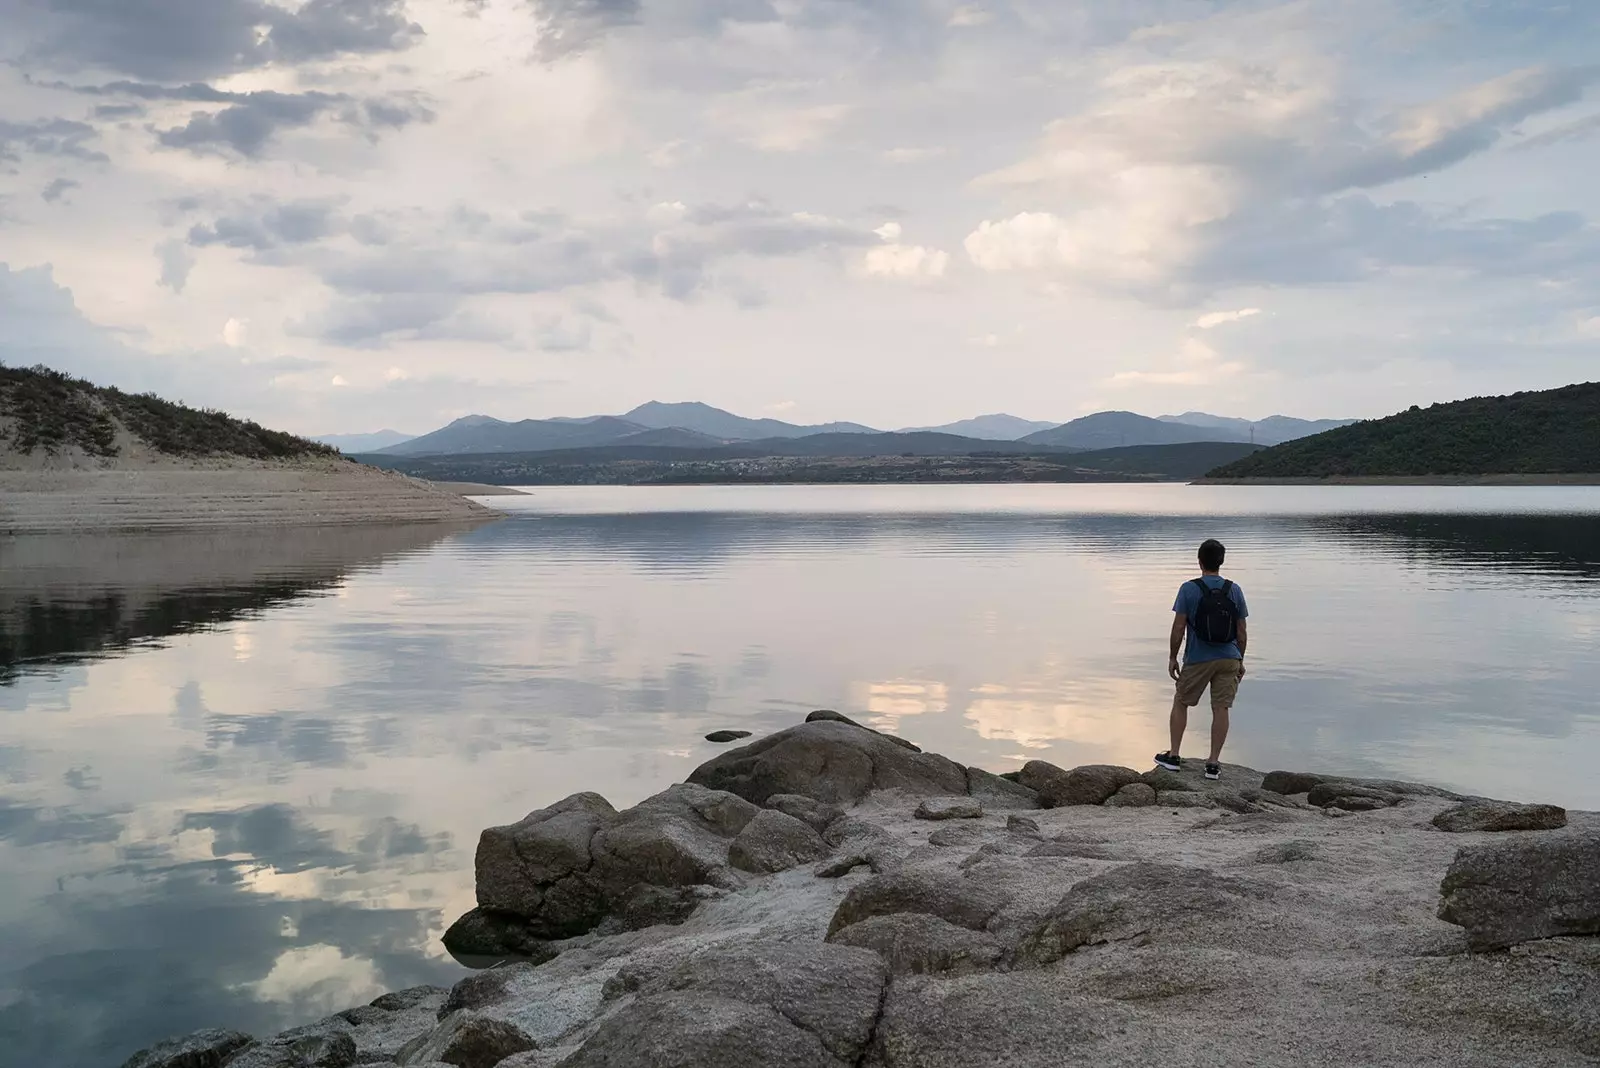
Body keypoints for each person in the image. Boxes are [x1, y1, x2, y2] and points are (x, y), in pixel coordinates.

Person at [1155, 538, 1248, 781]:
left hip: (1198, 658)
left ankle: (1174, 756)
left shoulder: (1189, 588)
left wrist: (1173, 657)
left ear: (1199, 561)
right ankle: (1213, 764)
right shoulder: (1234, 589)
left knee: (1181, 701)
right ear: (1222, 561)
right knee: (1221, 707)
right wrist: (1240, 659)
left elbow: (1178, 628)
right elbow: (1241, 631)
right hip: (1229, 658)